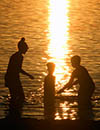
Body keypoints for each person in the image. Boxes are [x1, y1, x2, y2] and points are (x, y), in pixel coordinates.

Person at [5, 37, 34, 112]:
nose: (27, 49)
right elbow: (18, 69)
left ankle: (12, 111)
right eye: (26, 48)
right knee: (20, 96)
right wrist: (29, 75)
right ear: (22, 48)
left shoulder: (16, 55)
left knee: (15, 96)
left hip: (11, 78)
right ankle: (14, 112)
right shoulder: (19, 57)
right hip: (13, 78)